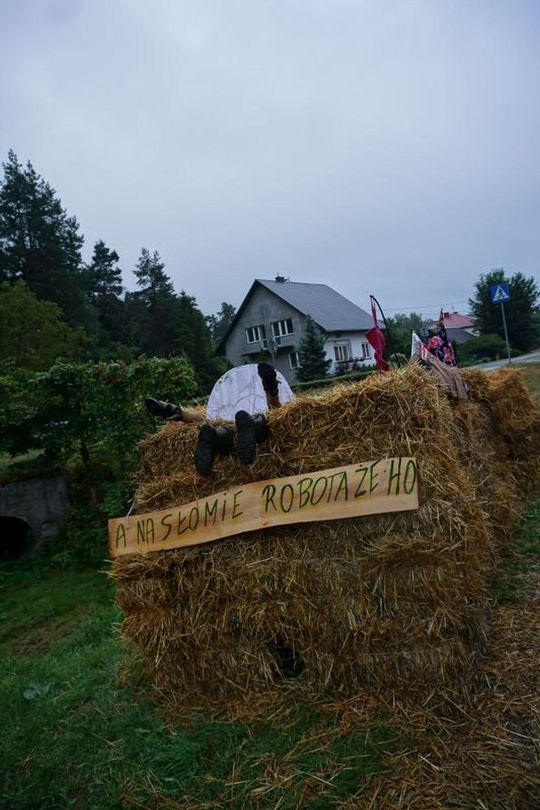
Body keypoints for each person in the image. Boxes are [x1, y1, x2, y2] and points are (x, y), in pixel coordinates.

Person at [145, 362, 295, 476]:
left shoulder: (226, 393)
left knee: (222, 431)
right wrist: (272, 391)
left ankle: (178, 414)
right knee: (266, 422)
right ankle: (263, 403)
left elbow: (207, 417)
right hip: (254, 421)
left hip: (228, 422)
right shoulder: (274, 407)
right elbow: (280, 412)